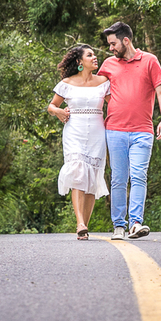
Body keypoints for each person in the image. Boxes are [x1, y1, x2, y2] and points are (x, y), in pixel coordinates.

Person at [98, 21, 161, 240]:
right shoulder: (109, 64)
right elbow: (95, 89)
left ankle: (136, 224)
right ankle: (119, 225)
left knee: (139, 176)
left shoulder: (150, 61)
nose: (110, 48)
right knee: (119, 178)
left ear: (125, 40)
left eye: (113, 43)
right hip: (115, 130)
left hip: (143, 131)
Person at [47, 44, 110, 240]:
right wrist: (58, 112)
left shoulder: (104, 82)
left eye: (95, 55)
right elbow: (51, 106)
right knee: (78, 172)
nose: (95, 58)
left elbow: (116, 104)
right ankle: (79, 222)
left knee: (92, 178)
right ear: (79, 61)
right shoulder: (67, 83)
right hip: (74, 131)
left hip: (97, 133)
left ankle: (85, 227)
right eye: (90, 55)